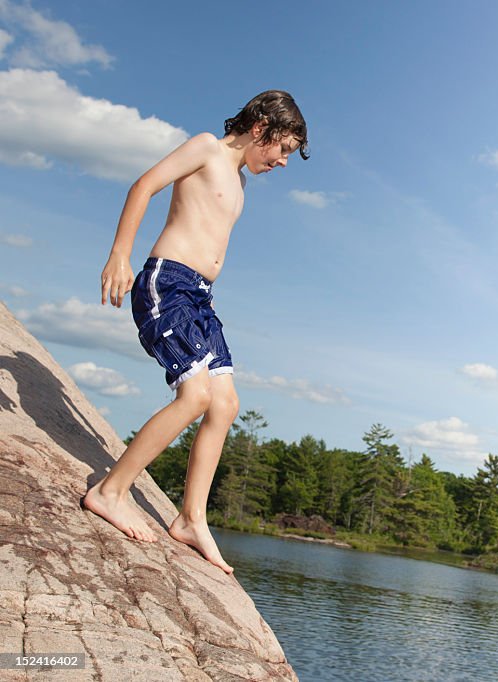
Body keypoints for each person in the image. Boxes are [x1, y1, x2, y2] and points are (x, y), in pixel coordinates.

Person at [82, 90, 309, 574]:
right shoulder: (206, 147)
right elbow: (144, 186)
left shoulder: (240, 182)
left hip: (201, 297)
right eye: (283, 148)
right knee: (195, 397)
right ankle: (110, 491)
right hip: (169, 283)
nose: (284, 162)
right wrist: (121, 254)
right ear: (260, 127)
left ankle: (190, 518)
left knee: (226, 405)